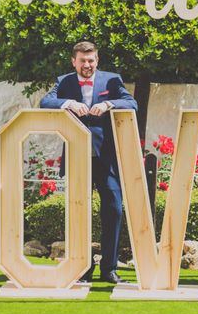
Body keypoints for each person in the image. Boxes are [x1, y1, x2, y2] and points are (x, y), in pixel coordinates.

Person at [40, 41, 137, 284]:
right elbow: (45, 102)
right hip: (77, 155)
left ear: (97, 59)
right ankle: (83, 269)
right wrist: (68, 103)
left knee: (114, 209)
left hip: (106, 156)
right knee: (78, 212)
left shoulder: (111, 80)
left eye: (91, 60)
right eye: (82, 60)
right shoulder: (64, 81)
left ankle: (109, 269)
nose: (87, 65)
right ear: (74, 61)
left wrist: (108, 104)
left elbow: (132, 103)